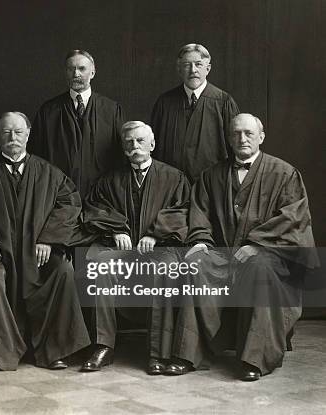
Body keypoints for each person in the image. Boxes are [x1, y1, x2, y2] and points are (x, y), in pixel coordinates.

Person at [171, 113, 318, 380]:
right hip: (223, 254)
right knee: (196, 265)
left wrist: (258, 244)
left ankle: (254, 358)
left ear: (261, 137)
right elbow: (200, 213)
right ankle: (188, 353)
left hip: (269, 254)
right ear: (229, 138)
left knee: (260, 268)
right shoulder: (211, 175)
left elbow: (293, 218)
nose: (242, 139)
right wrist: (202, 242)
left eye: (249, 133)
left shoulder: (284, 174)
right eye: (236, 133)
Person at [0, 112, 91, 371]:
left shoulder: (49, 173)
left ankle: (53, 349)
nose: (12, 138)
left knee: (63, 271)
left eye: (18, 132)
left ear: (28, 135)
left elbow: (69, 204)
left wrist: (49, 239)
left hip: (37, 256)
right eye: (6, 132)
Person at [81, 121, 190, 374]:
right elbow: (94, 209)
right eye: (129, 142)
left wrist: (156, 234)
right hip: (122, 249)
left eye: (141, 141)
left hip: (160, 248)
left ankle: (158, 352)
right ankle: (103, 345)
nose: (135, 146)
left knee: (166, 267)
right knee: (99, 265)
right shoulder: (109, 180)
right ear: (123, 146)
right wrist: (116, 229)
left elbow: (184, 211)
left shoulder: (174, 177)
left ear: (152, 144)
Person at [29, 50, 125, 196]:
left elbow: (120, 156)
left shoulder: (111, 110)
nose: (76, 74)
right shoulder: (49, 111)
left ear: (92, 73)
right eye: (70, 69)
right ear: (65, 73)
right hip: (59, 194)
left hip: (101, 197)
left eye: (81, 68)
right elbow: (37, 156)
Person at [151, 43, 239, 182]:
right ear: (179, 70)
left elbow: (235, 148)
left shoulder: (223, 102)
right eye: (186, 65)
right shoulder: (165, 102)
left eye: (198, 64)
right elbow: (153, 147)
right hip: (170, 184)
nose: (193, 70)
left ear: (208, 68)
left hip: (212, 185)